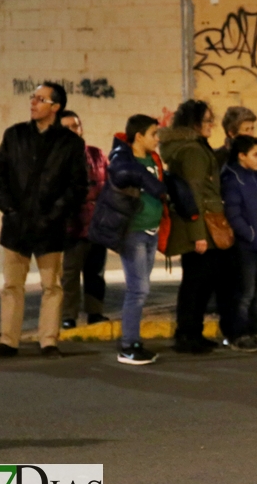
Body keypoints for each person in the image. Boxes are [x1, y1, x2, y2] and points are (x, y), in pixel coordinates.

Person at [0, 82, 88, 359]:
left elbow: (77, 186)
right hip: (16, 225)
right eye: (33, 97)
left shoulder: (70, 144)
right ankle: (8, 341)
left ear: (55, 107)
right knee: (11, 286)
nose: (33, 102)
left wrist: (54, 214)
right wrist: (8, 208)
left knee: (52, 287)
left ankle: (48, 341)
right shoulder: (15, 135)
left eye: (41, 99)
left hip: (50, 226)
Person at [89, 115, 169, 365]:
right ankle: (128, 345)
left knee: (140, 290)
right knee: (138, 289)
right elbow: (121, 174)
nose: (157, 139)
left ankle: (134, 342)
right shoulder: (124, 159)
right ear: (139, 136)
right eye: (154, 134)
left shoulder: (153, 159)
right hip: (133, 231)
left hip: (151, 231)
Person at [160, 100, 237, 354]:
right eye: (207, 121)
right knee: (196, 283)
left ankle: (193, 332)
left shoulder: (192, 147)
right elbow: (195, 192)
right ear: (194, 124)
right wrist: (199, 236)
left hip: (202, 223)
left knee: (200, 282)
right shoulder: (192, 150)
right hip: (199, 226)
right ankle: (187, 334)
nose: (212, 125)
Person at [221, 135, 257, 352]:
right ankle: (239, 333)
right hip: (247, 246)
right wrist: (252, 235)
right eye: (255, 155)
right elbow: (234, 214)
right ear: (241, 156)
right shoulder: (233, 179)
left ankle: (256, 331)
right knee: (245, 293)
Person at [60, 111, 110, 329]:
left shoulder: (97, 155)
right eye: (67, 127)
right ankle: (68, 315)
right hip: (72, 226)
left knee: (96, 272)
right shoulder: (55, 159)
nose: (73, 130)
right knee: (70, 273)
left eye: (75, 126)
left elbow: (108, 185)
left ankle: (95, 312)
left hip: (97, 224)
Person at [213, 106, 257, 188]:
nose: (251, 134)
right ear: (231, 133)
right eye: (246, 130)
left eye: (252, 128)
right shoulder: (218, 157)